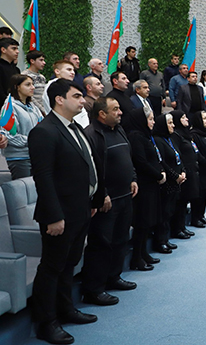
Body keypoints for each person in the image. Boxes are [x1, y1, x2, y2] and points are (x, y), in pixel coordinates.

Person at [28, 80, 103, 344]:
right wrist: (54, 216)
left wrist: (92, 201)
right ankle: (46, 323)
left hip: (80, 208)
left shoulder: (75, 128)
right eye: (77, 96)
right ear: (59, 99)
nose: (83, 101)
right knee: (52, 268)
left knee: (69, 264)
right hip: (59, 214)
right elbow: (43, 178)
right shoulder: (44, 131)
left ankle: (66, 309)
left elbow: (86, 165)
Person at [81, 97, 138, 306]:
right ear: (102, 114)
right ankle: (94, 289)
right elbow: (91, 169)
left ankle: (114, 277)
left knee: (120, 240)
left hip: (125, 196)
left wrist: (133, 178)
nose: (120, 112)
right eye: (115, 109)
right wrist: (101, 193)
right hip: (106, 200)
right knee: (101, 244)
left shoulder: (119, 129)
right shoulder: (91, 134)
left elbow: (128, 157)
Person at [127, 107, 165, 271]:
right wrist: (158, 174)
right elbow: (141, 162)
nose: (153, 122)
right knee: (142, 223)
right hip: (143, 185)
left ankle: (144, 253)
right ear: (141, 120)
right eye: (150, 119)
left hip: (151, 184)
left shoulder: (146, 136)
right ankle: (137, 258)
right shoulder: (136, 137)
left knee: (148, 222)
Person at [152, 113, 185, 253]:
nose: (173, 125)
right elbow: (162, 163)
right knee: (164, 212)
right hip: (167, 183)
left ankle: (166, 239)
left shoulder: (171, 139)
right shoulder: (158, 141)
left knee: (170, 211)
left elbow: (179, 157)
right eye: (170, 123)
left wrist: (182, 171)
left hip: (176, 182)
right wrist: (175, 176)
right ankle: (160, 241)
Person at [1, 74, 43, 179]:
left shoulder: (33, 107)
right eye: (28, 85)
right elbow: (9, 135)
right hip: (19, 157)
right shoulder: (9, 107)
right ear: (17, 87)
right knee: (23, 187)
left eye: (32, 84)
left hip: (34, 155)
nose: (32, 87)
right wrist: (32, 141)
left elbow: (42, 126)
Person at [169, 111, 199, 237]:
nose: (186, 119)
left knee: (185, 200)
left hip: (190, 171)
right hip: (183, 172)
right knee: (180, 202)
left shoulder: (186, 134)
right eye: (183, 117)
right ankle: (177, 229)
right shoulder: (176, 135)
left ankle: (182, 227)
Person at [43, 60, 91, 127]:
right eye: (69, 69)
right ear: (57, 71)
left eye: (73, 70)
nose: (72, 72)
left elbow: (82, 112)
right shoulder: (52, 87)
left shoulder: (71, 86)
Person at [22, 50, 48, 114]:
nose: (44, 63)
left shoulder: (42, 77)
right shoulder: (25, 75)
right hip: (32, 110)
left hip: (44, 108)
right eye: (41, 60)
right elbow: (29, 96)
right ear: (32, 61)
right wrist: (41, 109)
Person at [0, 37, 20, 105]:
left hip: (15, 105)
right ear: (3, 50)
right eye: (13, 49)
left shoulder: (16, 69)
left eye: (17, 49)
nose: (17, 51)